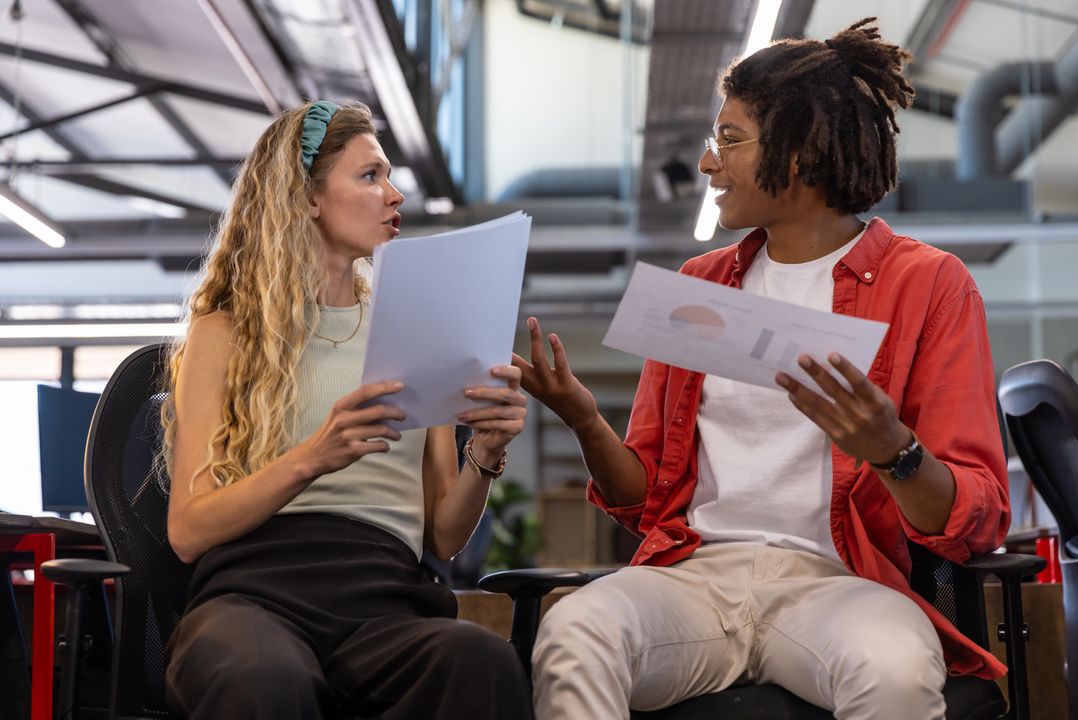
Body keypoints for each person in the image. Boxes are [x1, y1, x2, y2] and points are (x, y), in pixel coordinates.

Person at [516, 19, 1009, 720]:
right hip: (694, 578)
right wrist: (585, 420)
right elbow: (646, 501)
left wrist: (893, 453)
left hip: (838, 584)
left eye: (731, 140)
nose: (709, 163)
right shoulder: (700, 285)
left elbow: (976, 519)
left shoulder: (929, 284)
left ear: (802, 151)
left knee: (895, 672)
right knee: (574, 632)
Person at [160, 100, 533, 719]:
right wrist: (314, 456)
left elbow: (442, 534)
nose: (395, 196)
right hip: (253, 594)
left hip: (384, 600)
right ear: (308, 197)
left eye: (389, 177)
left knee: (481, 662)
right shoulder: (224, 333)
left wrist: (485, 457)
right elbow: (188, 531)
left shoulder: (417, 327)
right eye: (371, 176)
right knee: (263, 679)